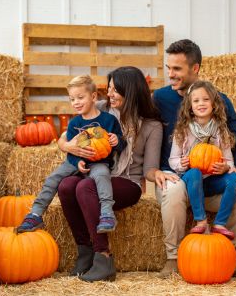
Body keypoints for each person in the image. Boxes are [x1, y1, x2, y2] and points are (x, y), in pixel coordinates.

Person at [57, 66, 176, 282]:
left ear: (129, 91)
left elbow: (148, 168)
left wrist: (158, 173)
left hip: (127, 182)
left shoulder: (151, 126)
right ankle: (84, 252)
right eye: (109, 88)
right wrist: (68, 147)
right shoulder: (102, 109)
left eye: (114, 89)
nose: (109, 94)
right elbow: (64, 138)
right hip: (97, 172)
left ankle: (103, 257)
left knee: (85, 187)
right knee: (65, 186)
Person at [153, 39, 236, 278]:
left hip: (212, 179)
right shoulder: (159, 98)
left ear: (195, 68)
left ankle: (223, 253)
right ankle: (174, 257)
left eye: (177, 69)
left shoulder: (220, 101)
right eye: (169, 68)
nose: (170, 74)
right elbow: (143, 132)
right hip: (177, 175)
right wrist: (153, 170)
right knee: (174, 189)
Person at [17, 75, 126, 234]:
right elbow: (70, 148)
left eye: (80, 97)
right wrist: (77, 162)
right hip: (75, 161)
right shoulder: (75, 123)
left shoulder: (109, 120)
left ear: (94, 96)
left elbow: (120, 144)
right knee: (53, 178)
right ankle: (36, 213)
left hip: (99, 161)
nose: (76, 102)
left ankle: (107, 213)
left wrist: (118, 141)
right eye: (72, 99)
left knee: (102, 175)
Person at [169, 80, 236, 240]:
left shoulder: (221, 131)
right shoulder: (183, 131)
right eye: (196, 100)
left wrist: (225, 168)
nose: (201, 103)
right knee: (194, 172)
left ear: (214, 104)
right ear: (190, 107)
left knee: (234, 179)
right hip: (191, 181)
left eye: (206, 99)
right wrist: (182, 163)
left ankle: (220, 223)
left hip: (213, 181)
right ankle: (201, 221)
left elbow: (229, 161)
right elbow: (173, 159)